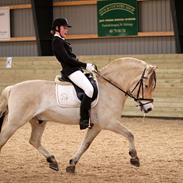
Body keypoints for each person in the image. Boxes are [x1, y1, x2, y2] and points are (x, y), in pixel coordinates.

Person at [51, 17, 97, 130]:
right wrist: (85, 65)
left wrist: (83, 66)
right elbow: (66, 59)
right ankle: (84, 119)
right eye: (64, 28)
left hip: (75, 69)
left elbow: (71, 58)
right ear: (57, 28)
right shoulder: (57, 41)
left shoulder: (61, 41)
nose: (67, 30)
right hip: (70, 71)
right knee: (89, 89)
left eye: (67, 28)